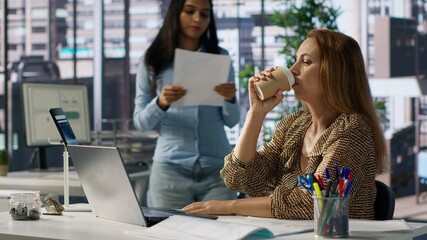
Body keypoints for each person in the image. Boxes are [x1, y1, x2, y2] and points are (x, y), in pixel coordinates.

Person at [182, 29, 389, 220]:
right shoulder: (294, 125)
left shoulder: (353, 129)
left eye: (306, 62)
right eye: (295, 61)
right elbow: (239, 178)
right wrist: (256, 113)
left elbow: (312, 203)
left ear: (335, 72)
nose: (293, 70)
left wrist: (230, 206)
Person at [133, 0, 239, 209]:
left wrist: (229, 99)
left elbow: (232, 121)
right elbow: (140, 122)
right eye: (190, 11)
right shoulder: (153, 59)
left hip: (216, 170)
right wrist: (161, 103)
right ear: (176, 13)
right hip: (170, 172)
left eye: (205, 14)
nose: (198, 19)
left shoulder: (220, 56)